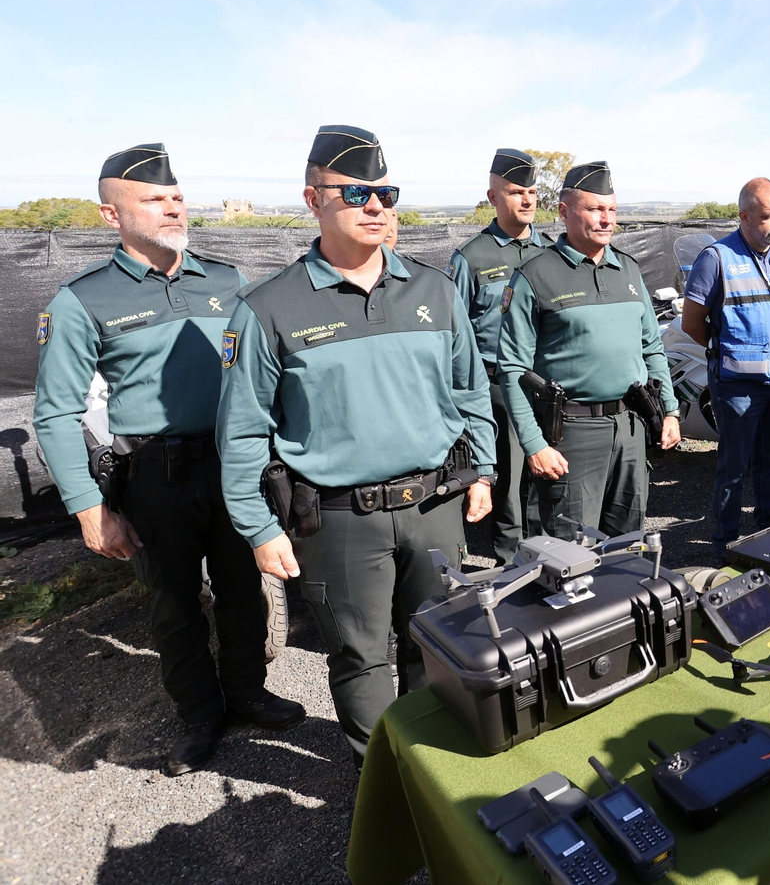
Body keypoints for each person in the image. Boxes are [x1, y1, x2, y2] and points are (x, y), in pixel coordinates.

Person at [217, 125, 497, 762]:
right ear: (313, 200)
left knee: (441, 646)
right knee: (359, 659)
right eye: (355, 194)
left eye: (385, 194)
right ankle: (383, 789)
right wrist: (259, 529)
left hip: (435, 506)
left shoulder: (434, 290)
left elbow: (470, 389)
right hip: (339, 520)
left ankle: (437, 776)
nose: (375, 206)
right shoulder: (268, 308)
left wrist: (482, 468)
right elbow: (242, 430)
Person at [33, 144, 303, 777]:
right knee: (174, 605)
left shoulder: (227, 281)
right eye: (153, 199)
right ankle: (199, 715)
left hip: (234, 466)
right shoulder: (82, 300)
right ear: (111, 215)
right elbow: (54, 413)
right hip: (156, 476)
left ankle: (247, 692)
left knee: (243, 592)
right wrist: (89, 509)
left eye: (176, 196)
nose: (172, 207)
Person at [497, 161, 680, 542]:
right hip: (571, 435)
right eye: (595, 209)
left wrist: (670, 411)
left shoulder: (628, 270)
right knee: (570, 552)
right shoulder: (535, 275)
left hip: (631, 427)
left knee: (627, 546)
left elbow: (651, 348)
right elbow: (512, 369)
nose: (607, 219)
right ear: (564, 211)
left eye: (612, 209)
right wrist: (534, 445)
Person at [681, 178, 770, 562]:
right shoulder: (716, 258)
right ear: (745, 217)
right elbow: (692, 322)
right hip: (737, 387)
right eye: (768, 216)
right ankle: (726, 543)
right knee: (733, 468)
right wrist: (727, 351)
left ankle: (769, 531)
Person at [448, 149, 553, 561]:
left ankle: (547, 557)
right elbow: (456, 335)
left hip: (546, 386)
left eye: (532, 191)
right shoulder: (472, 258)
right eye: (515, 192)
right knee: (508, 480)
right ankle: (511, 563)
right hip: (498, 388)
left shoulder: (551, 252)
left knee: (545, 476)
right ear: (493, 197)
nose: (527, 200)